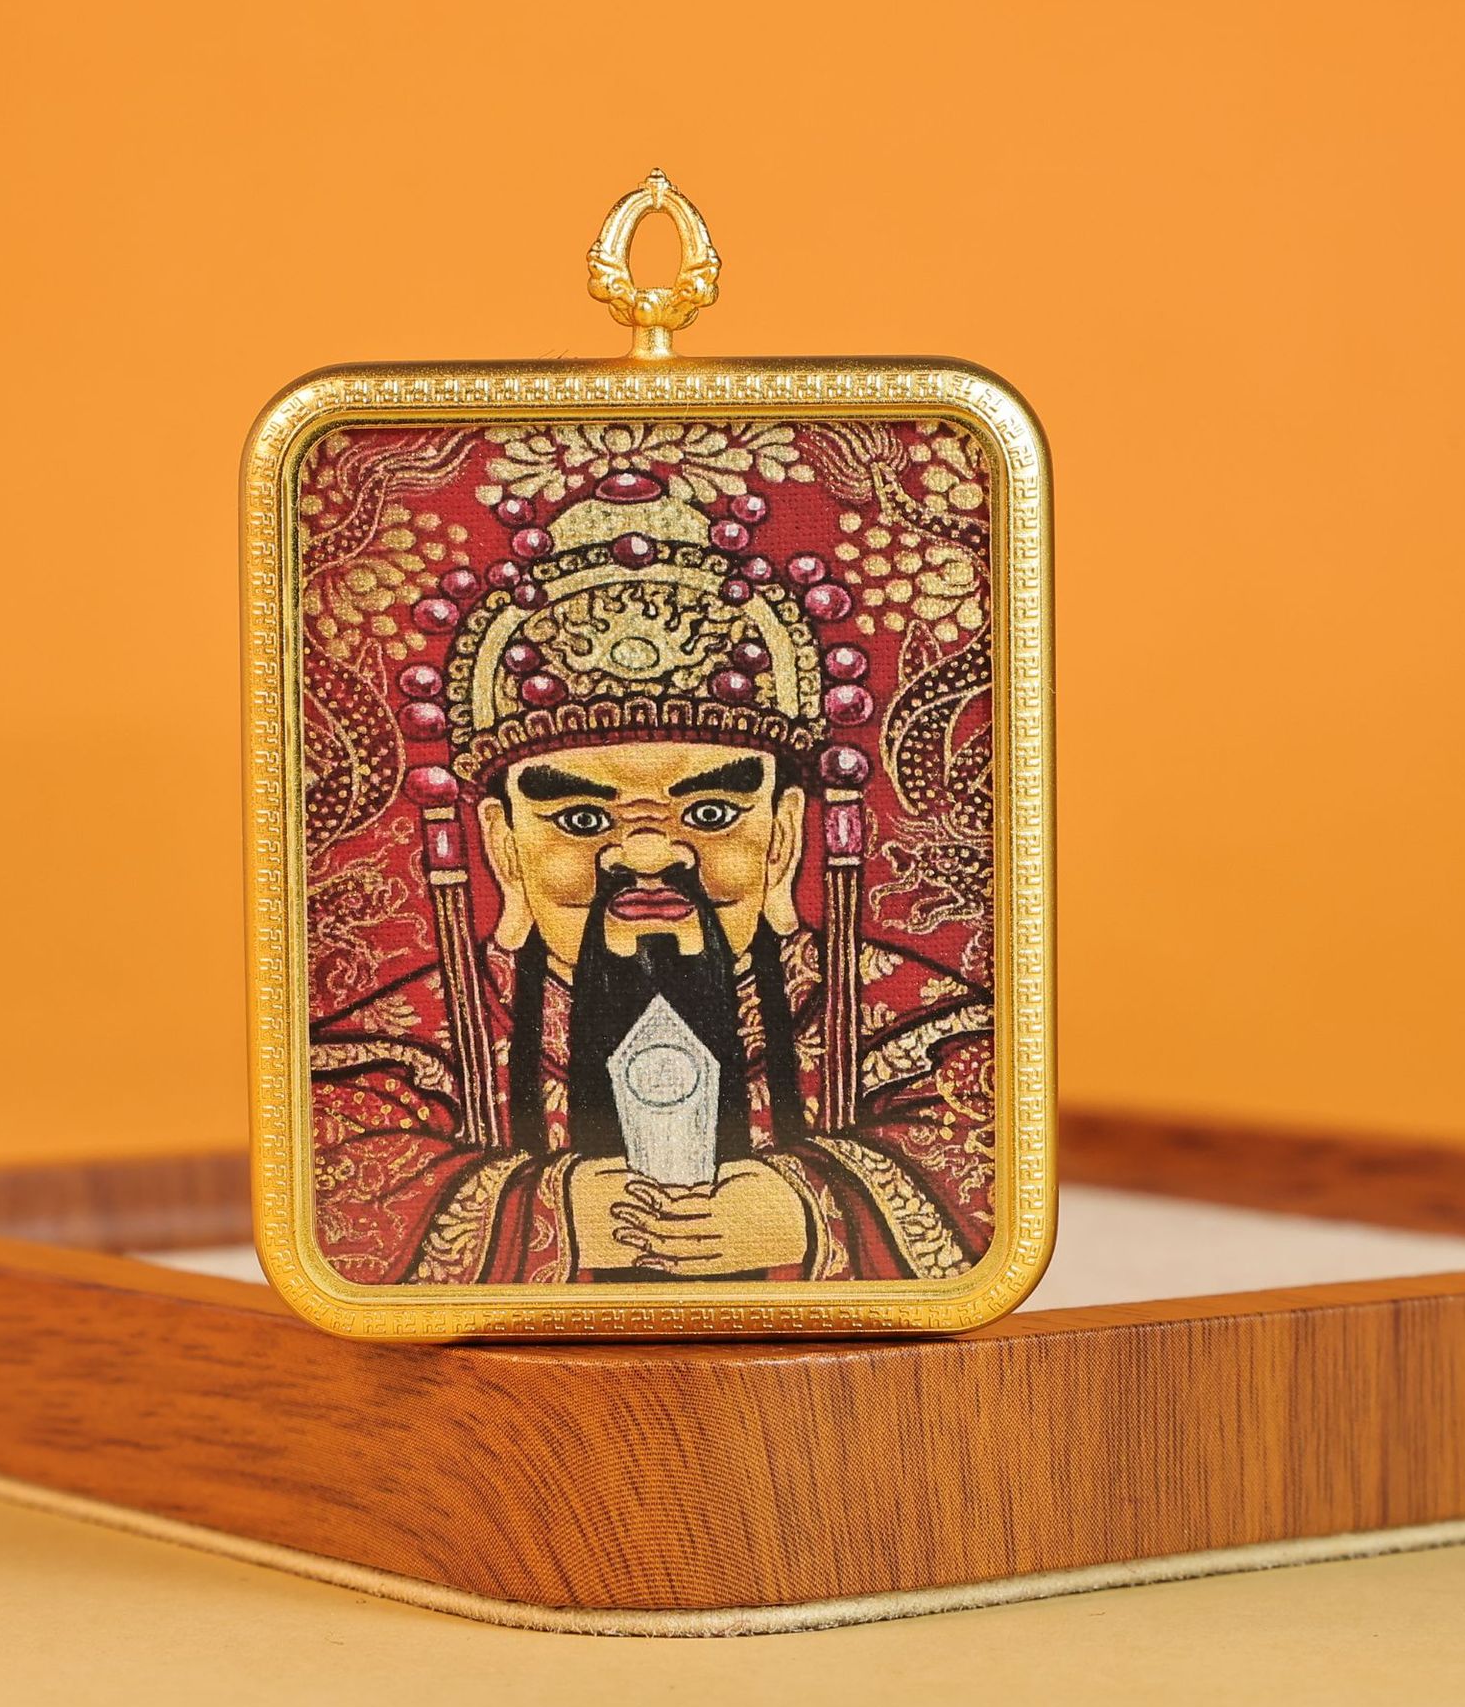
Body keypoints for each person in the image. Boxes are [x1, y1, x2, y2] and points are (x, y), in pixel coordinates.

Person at [309, 474, 993, 1284]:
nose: (643, 857)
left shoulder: (889, 1015)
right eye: (581, 819)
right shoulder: (418, 1037)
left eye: (709, 813)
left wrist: (809, 1211)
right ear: (503, 847)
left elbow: (974, 1142)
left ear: (783, 836)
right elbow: (345, 1177)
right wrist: (550, 1215)